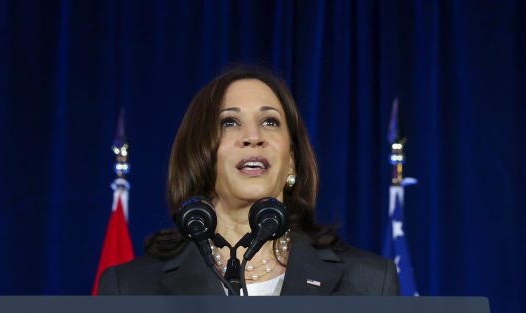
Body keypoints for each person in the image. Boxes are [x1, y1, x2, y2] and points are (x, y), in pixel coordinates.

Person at [97, 67, 399, 296]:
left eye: (270, 122)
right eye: (230, 122)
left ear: (291, 160)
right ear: (200, 154)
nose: (253, 137)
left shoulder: (370, 283)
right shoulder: (131, 288)